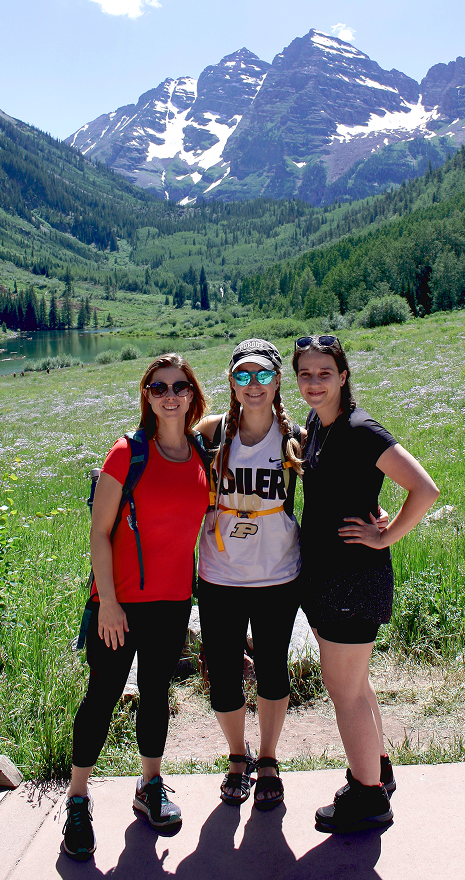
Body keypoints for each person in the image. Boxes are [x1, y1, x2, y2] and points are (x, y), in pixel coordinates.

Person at [290, 333, 441, 836]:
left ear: (343, 375)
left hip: (352, 579)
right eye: (305, 374)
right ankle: (377, 767)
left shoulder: (359, 429)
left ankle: (368, 797)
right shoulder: (319, 424)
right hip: (327, 578)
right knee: (356, 685)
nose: (314, 383)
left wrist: (387, 535)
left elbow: (425, 488)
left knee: (346, 694)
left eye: (324, 373)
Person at [63, 354, 211, 860]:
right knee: (102, 697)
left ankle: (150, 786)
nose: (170, 394)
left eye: (180, 386)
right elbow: (99, 533)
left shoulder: (200, 454)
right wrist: (106, 604)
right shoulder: (127, 453)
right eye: (159, 386)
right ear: (146, 395)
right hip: (119, 605)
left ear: (193, 394)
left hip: (172, 603)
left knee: (154, 694)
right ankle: (78, 800)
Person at [192, 338, 307, 810]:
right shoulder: (211, 433)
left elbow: (331, 484)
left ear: (278, 381)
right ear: (231, 381)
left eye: (263, 375)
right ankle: (236, 757)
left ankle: (268, 760)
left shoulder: (296, 436)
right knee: (222, 675)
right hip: (219, 575)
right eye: (243, 375)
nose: (253, 385)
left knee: (274, 671)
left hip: (278, 575)